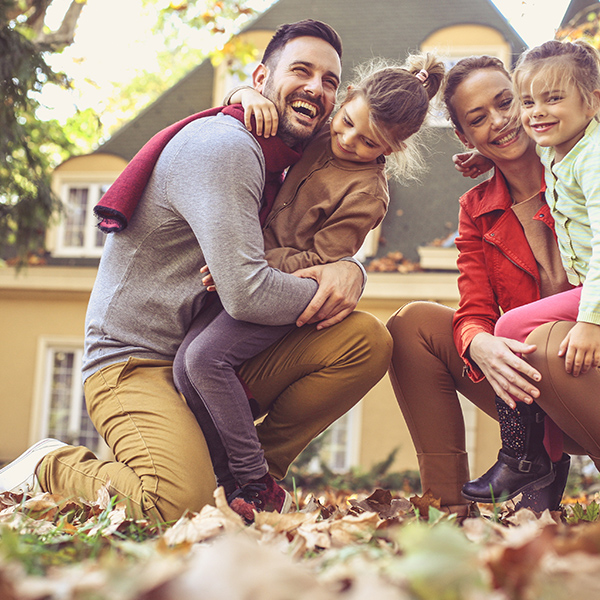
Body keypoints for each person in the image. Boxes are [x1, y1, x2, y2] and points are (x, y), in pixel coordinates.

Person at [0, 20, 393, 525]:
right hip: (133, 362)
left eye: (329, 81)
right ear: (262, 78)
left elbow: (339, 194)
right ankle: (50, 465)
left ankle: (249, 476)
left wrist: (349, 268)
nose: (316, 88)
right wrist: (329, 281)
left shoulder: (299, 153)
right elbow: (246, 294)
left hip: (204, 353)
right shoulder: (227, 146)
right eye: (301, 71)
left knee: (366, 340)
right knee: (175, 505)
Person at [386, 54, 600, 518]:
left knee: (547, 337)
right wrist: (477, 342)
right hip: (541, 400)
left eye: (506, 103)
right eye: (479, 119)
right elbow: (474, 307)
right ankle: (451, 508)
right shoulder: (478, 208)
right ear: (464, 137)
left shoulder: (595, 165)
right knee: (412, 325)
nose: (501, 122)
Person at [172, 53, 445, 521]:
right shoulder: (319, 131)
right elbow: (249, 108)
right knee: (184, 370)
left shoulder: (367, 194)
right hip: (241, 277)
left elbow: (321, 260)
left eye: (367, 142)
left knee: (204, 360)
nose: (347, 140)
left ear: (393, 148)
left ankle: (256, 480)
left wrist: (244, 260)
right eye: (347, 122)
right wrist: (243, 94)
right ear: (347, 100)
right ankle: (228, 483)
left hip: (284, 291)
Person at [460, 39, 600, 504]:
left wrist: (591, 322)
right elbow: (533, 154)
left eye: (553, 98)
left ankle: (522, 456)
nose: (535, 113)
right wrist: (489, 154)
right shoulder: (562, 153)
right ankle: (541, 470)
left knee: (512, 327)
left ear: (593, 102)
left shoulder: (599, 160)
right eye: (529, 102)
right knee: (529, 348)